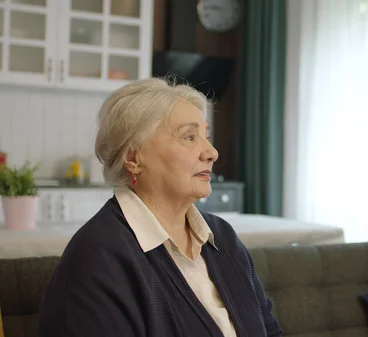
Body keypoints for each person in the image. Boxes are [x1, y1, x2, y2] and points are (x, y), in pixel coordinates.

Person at [38, 78, 283, 337]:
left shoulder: (223, 238)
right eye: (189, 137)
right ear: (133, 157)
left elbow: (269, 331)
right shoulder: (96, 259)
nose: (212, 152)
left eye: (206, 137)